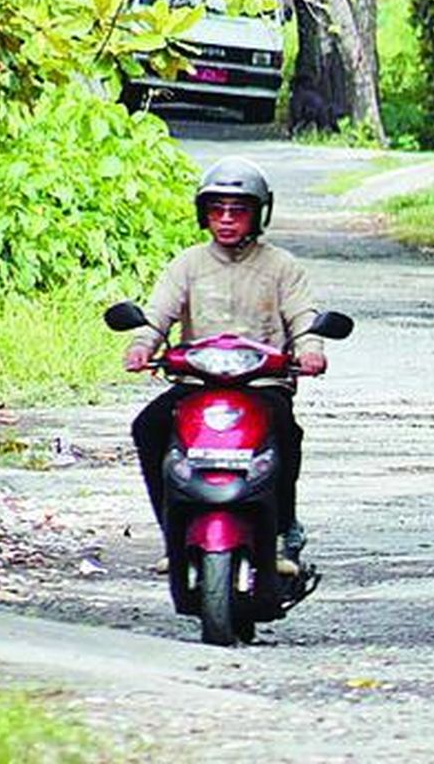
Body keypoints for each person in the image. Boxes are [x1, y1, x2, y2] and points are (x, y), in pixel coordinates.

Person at [125, 156, 326, 575]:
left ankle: (282, 533)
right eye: (217, 209)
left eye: (239, 210)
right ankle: (173, 534)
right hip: (197, 382)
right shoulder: (188, 264)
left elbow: (304, 317)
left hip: (263, 383)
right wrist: (143, 345)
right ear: (204, 214)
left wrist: (310, 349)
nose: (227, 220)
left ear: (258, 214)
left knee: (286, 435)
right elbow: (159, 313)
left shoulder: (281, 266)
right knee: (149, 426)